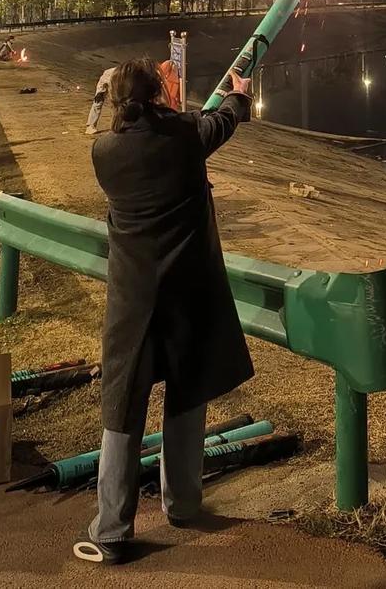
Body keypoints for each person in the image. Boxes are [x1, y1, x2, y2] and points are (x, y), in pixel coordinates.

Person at [73, 59, 254, 565]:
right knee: (187, 393)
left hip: (132, 297)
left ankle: (111, 527)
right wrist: (239, 95)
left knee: (122, 408)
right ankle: (183, 503)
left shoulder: (103, 150)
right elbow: (220, 121)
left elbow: (180, 126)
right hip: (187, 290)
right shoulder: (183, 134)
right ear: (158, 95)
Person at [85, 66, 117, 136]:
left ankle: (117, 127)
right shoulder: (111, 73)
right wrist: (100, 92)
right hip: (106, 81)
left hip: (118, 86)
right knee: (98, 102)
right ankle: (90, 126)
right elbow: (103, 82)